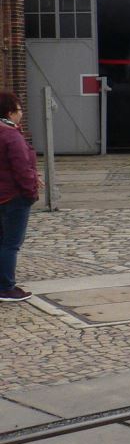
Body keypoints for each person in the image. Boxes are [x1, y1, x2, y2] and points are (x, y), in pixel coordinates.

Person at [0, 92, 40, 302]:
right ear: (10, 112)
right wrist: (31, 193)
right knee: (11, 244)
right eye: (19, 109)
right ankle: (6, 288)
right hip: (13, 197)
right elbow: (22, 169)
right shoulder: (11, 136)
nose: (21, 113)